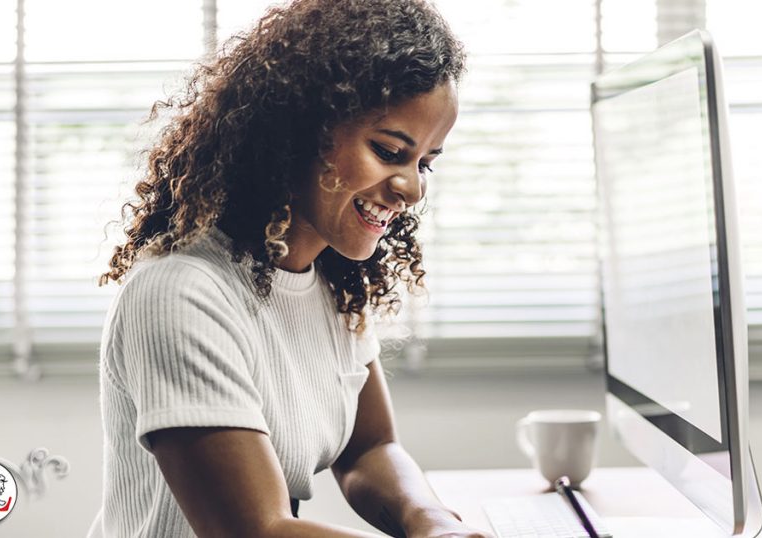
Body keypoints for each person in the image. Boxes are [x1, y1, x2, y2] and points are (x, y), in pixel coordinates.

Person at [91, 0, 491, 536]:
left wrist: (433, 522)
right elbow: (257, 530)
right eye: (389, 150)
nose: (413, 188)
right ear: (298, 131)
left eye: (425, 163)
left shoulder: (332, 283)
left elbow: (371, 448)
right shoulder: (179, 292)